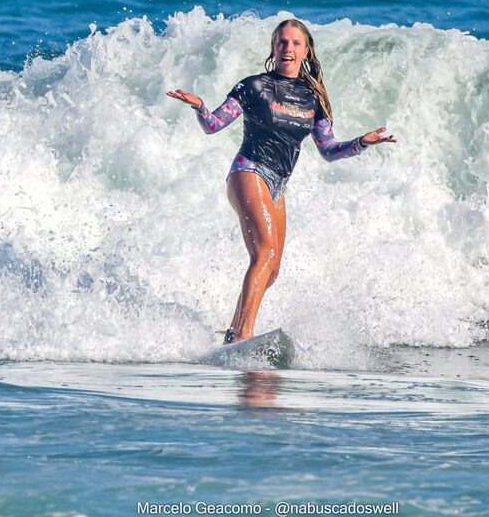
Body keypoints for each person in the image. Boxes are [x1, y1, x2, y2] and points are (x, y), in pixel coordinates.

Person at [167, 18, 395, 344]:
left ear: (306, 51)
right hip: (249, 171)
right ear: (274, 49)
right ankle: (243, 333)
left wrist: (361, 142)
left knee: (272, 270)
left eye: (295, 43)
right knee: (263, 255)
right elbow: (214, 124)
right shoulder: (255, 86)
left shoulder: (313, 98)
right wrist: (200, 106)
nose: (287, 48)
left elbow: (328, 150)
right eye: (281, 42)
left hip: (278, 186)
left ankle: (233, 332)